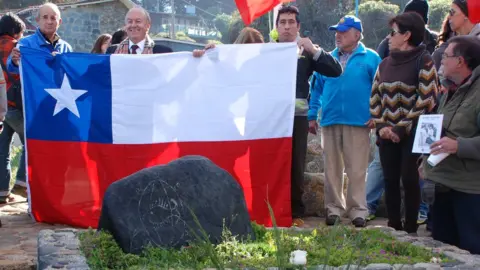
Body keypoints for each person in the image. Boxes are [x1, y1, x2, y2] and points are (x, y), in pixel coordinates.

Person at [369, 12, 438, 234]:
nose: (389, 37)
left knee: (409, 180)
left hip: (413, 133)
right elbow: (374, 98)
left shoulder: (424, 60)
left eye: (393, 32)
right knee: (389, 180)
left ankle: (410, 229)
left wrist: (401, 127)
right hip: (387, 133)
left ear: (407, 35)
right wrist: (383, 127)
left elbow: (427, 98)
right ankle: (393, 227)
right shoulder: (385, 63)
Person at [309, 15, 380, 227]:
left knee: (357, 168)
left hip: (359, 122)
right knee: (331, 167)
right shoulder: (326, 58)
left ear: (357, 34)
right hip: (330, 120)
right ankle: (334, 209)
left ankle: (358, 210)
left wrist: (376, 114)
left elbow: (380, 89)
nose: (338, 35)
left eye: (344, 31)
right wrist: (313, 115)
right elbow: (316, 88)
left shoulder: (371, 57)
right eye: (337, 31)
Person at [421, 35, 480, 255]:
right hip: (441, 185)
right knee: (444, 253)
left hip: (469, 192)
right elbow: (440, 131)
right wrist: (424, 162)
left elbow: (455, 140)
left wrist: (458, 146)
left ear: (461, 61)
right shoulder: (449, 90)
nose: (441, 61)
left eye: (446, 56)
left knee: (471, 253)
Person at [0, 13, 26, 204]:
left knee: (2, 151)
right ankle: (22, 183)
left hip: (1, 108)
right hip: (14, 104)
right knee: (29, 143)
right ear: (16, 31)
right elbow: (17, 74)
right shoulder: (16, 47)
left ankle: (2, 191)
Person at [106, 7, 172, 54]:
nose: (133, 25)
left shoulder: (163, 53)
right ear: (125, 25)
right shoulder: (112, 52)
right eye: (130, 21)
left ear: (148, 25)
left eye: (138, 21)